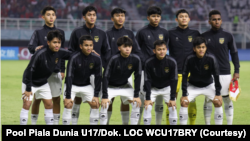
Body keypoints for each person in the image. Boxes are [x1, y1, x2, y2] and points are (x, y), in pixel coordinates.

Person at [68, 6, 111, 124]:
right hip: (79, 71)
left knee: (95, 101)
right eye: (89, 15)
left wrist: (98, 58)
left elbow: (107, 52)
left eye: (94, 15)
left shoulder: (102, 33)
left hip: (95, 73)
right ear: (84, 17)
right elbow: (70, 51)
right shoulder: (77, 32)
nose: (92, 17)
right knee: (76, 99)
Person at [20, 30, 71, 125]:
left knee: (49, 104)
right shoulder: (40, 53)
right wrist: (28, 88)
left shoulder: (60, 52)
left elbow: (73, 55)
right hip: (30, 82)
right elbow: (30, 70)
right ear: (48, 42)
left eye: (59, 43)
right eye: (54, 42)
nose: (57, 45)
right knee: (27, 104)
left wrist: (89, 52)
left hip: (43, 82)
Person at [27, 6, 66, 125]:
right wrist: (35, 48)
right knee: (37, 99)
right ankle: (33, 124)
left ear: (55, 16)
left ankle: (55, 125)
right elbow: (30, 47)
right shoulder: (38, 32)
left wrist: (62, 69)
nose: (51, 17)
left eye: (53, 14)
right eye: (48, 15)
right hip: (40, 72)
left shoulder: (61, 33)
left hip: (55, 71)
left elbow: (62, 52)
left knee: (56, 99)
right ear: (43, 17)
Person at [105, 7, 143, 125]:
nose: (120, 18)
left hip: (127, 71)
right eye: (117, 15)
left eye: (122, 15)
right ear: (112, 18)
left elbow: (137, 51)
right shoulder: (107, 34)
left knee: (125, 100)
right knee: (108, 101)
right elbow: (103, 53)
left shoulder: (130, 33)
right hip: (110, 72)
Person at [201, 10, 240, 125]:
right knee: (208, 99)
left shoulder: (228, 35)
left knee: (227, 99)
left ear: (221, 21)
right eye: (214, 19)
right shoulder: (204, 36)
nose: (216, 21)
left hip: (225, 72)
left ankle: (229, 124)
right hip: (209, 73)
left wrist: (236, 70)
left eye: (218, 19)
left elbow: (234, 53)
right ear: (209, 21)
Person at [136, 6, 169, 124]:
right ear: (148, 18)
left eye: (158, 16)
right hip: (145, 70)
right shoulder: (141, 32)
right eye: (153, 16)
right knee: (142, 98)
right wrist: (145, 61)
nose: (156, 18)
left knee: (159, 99)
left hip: (160, 70)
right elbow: (137, 50)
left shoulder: (164, 32)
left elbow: (165, 50)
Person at [179, 36, 223, 125]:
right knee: (184, 102)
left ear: (206, 48)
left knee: (218, 102)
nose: (201, 50)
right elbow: (184, 76)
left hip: (208, 85)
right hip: (193, 86)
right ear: (194, 49)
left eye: (203, 47)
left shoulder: (211, 58)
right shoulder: (189, 58)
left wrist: (218, 93)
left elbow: (217, 76)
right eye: (198, 47)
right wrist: (184, 94)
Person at [168, 9, 200, 125]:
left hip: (191, 72)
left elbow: (201, 51)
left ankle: (191, 124)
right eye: (181, 16)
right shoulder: (170, 33)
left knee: (190, 99)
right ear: (177, 19)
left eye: (186, 16)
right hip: (174, 72)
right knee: (172, 99)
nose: (184, 18)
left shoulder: (195, 33)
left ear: (189, 19)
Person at [100, 36, 142, 125]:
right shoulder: (113, 59)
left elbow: (138, 77)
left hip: (124, 85)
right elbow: (105, 77)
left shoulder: (136, 59)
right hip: (110, 86)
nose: (127, 49)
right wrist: (104, 96)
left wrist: (136, 95)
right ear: (119, 48)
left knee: (136, 104)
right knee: (105, 105)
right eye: (125, 47)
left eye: (129, 47)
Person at [62, 35, 102, 125]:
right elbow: (69, 76)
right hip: (72, 85)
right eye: (86, 45)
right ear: (81, 46)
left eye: (91, 45)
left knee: (95, 104)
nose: (89, 48)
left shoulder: (97, 58)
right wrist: (68, 96)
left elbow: (98, 77)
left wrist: (96, 95)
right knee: (68, 104)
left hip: (86, 85)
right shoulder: (74, 57)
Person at [143, 40, 178, 125]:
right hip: (152, 88)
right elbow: (147, 80)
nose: (161, 51)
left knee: (172, 108)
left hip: (166, 88)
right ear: (154, 51)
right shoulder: (148, 62)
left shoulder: (172, 62)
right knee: (147, 108)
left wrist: (172, 98)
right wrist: (148, 98)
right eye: (159, 49)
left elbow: (174, 80)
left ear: (166, 49)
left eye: (163, 49)